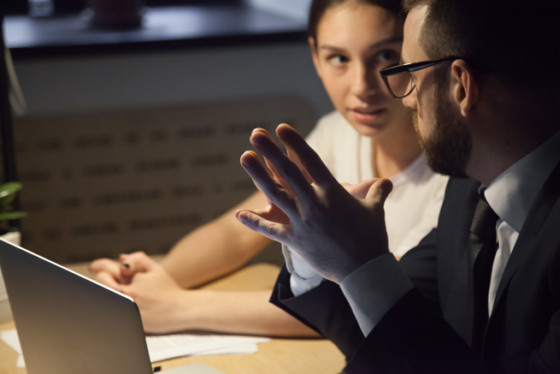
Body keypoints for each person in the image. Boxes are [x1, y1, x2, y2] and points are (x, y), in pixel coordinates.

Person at [235, 0, 560, 372]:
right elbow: (397, 331)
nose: (406, 99)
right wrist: (318, 250)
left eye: (410, 74)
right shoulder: (470, 195)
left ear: (460, 86)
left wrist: (360, 262)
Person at [89, 0, 447, 337]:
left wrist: (180, 307)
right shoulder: (336, 132)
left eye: (385, 55)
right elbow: (238, 231)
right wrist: (144, 286)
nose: (362, 86)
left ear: (414, 54)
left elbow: (373, 300)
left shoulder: (453, 169)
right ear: (315, 57)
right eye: (339, 58)